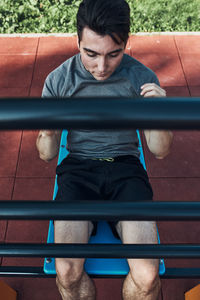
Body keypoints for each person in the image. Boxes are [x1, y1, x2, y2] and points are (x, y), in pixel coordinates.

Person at [36, 0, 173, 299]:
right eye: (91, 54)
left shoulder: (141, 77)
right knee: (67, 273)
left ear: (125, 43)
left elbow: (159, 150)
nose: (101, 67)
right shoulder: (59, 80)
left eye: (113, 54)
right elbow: (46, 154)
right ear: (78, 42)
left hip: (125, 168)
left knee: (148, 277)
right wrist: (47, 127)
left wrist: (161, 112)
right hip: (79, 169)